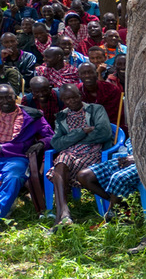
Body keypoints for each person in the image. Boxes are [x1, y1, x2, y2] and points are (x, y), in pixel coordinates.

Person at [47, 84, 114, 225]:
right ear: (63, 100)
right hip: (70, 153)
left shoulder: (96, 109)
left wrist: (71, 139)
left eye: (73, 97)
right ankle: (64, 211)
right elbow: (57, 143)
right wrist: (82, 131)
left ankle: (61, 216)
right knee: (61, 160)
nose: (71, 101)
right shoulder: (61, 116)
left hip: (93, 152)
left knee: (59, 168)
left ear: (80, 95)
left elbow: (104, 133)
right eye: (66, 99)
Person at [0, 84, 52, 218]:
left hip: (15, 158)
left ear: (16, 97)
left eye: (8, 97)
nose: (5, 101)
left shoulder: (32, 115)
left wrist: (41, 143)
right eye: (1, 98)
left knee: (14, 177)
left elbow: (50, 136)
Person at [77, 138, 140, 218]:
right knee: (84, 176)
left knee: (118, 178)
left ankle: (111, 215)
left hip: (145, 163)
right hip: (130, 156)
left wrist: (137, 158)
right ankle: (121, 206)